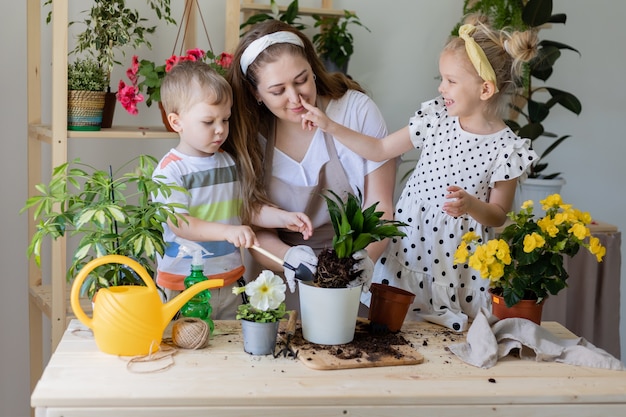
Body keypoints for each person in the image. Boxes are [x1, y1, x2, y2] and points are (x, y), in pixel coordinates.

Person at [300, 15, 540, 331]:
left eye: (451, 80)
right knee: (395, 329)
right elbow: (380, 149)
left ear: (485, 89)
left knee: (450, 338)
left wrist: (470, 205)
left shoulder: (507, 149)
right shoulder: (435, 119)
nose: (442, 87)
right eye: (441, 78)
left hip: (458, 262)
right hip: (410, 247)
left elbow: (497, 215)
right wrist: (329, 125)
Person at [226, 20, 397, 310]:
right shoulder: (248, 134)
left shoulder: (354, 111)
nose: (295, 98)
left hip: (352, 276)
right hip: (278, 283)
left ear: (312, 69)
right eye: (278, 91)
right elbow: (255, 227)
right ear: (256, 93)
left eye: (301, 79)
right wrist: (289, 258)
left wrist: (366, 257)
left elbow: (380, 206)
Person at [153, 60, 313, 319]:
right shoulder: (170, 171)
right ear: (176, 122)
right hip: (183, 286)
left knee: (229, 348)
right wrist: (228, 231)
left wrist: (282, 218)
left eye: (225, 119)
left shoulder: (227, 162)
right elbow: (180, 224)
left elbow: (244, 210)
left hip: (229, 282)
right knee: (185, 347)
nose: (220, 129)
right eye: (208, 121)